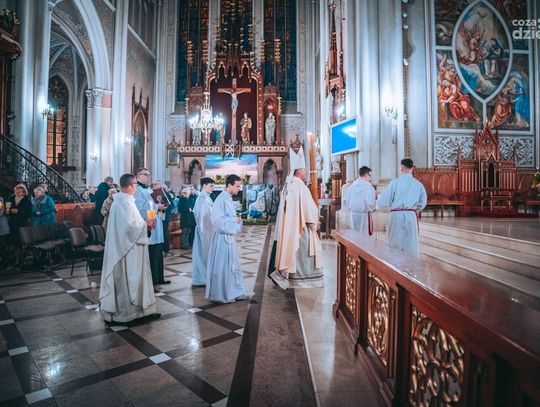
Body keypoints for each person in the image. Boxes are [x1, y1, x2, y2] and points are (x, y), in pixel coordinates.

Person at [99, 173, 160, 324]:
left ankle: (141, 312)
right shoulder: (121, 203)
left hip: (133, 249)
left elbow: (133, 224)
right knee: (127, 283)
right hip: (126, 252)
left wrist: (146, 225)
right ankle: (126, 315)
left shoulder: (126, 201)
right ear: (132, 185)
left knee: (136, 281)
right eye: (136, 185)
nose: (137, 188)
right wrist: (145, 224)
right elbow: (127, 228)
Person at [269, 147, 323, 288]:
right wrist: (315, 220)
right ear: (298, 172)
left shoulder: (289, 184)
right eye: (304, 170)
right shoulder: (300, 186)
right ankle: (302, 280)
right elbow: (308, 209)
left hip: (290, 227)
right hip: (301, 227)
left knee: (293, 252)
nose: (306, 173)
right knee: (303, 252)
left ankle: (288, 275)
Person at [206, 174, 251, 302]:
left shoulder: (227, 198)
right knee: (223, 266)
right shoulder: (221, 199)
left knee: (232, 265)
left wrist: (235, 219)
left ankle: (234, 292)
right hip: (222, 238)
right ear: (229, 185)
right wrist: (234, 220)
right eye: (237, 186)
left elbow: (227, 217)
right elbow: (216, 221)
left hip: (228, 237)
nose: (238, 189)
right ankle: (223, 294)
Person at [376, 158, 427, 258]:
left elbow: (383, 200)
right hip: (411, 215)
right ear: (413, 168)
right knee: (411, 243)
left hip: (397, 215)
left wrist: (378, 199)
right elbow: (423, 203)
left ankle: (395, 264)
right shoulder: (418, 184)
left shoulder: (395, 182)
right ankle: (411, 265)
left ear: (401, 168)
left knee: (395, 242)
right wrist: (415, 209)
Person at [134, 168, 170, 287]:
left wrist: (162, 208)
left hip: (157, 223)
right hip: (148, 224)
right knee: (151, 254)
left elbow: (154, 204)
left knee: (158, 252)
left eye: (149, 174)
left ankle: (159, 277)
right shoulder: (137, 190)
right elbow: (140, 207)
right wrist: (157, 207)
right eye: (145, 174)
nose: (148, 176)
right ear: (138, 176)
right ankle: (152, 280)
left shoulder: (150, 190)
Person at [192, 177, 215, 286]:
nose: (212, 188)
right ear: (204, 186)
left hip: (208, 230)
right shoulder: (202, 199)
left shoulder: (207, 198)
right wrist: (203, 233)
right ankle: (202, 278)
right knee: (203, 255)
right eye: (211, 186)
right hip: (204, 231)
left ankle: (207, 277)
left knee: (206, 254)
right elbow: (201, 217)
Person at [343, 166, 376, 236]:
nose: (370, 178)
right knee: (364, 235)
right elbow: (371, 201)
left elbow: (345, 200)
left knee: (354, 234)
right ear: (366, 175)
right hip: (364, 214)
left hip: (353, 213)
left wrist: (351, 207)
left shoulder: (352, 186)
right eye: (370, 175)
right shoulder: (368, 187)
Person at [5, 184, 32, 265]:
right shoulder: (11, 199)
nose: (17, 193)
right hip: (13, 223)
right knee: (15, 243)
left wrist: (18, 211)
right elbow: (7, 211)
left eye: (19, 191)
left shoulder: (27, 200)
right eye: (16, 191)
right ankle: (16, 259)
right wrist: (7, 211)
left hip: (22, 223)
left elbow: (29, 213)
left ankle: (23, 260)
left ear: (23, 192)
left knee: (23, 242)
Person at [151, 180, 174, 256]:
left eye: (156, 184)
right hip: (155, 216)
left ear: (160, 185)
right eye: (153, 184)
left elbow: (169, 205)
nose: (154, 185)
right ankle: (159, 250)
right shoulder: (151, 193)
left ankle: (166, 250)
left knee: (164, 233)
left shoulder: (164, 193)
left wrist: (163, 211)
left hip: (164, 217)